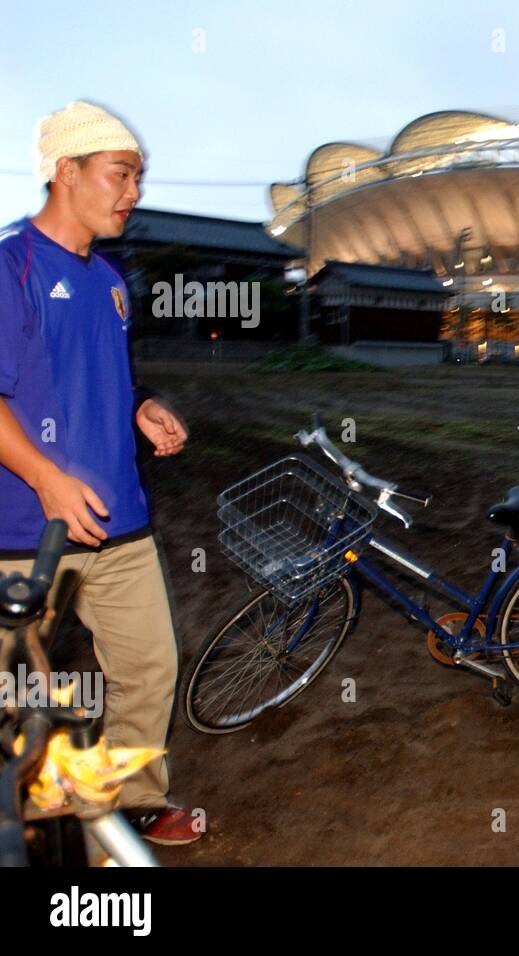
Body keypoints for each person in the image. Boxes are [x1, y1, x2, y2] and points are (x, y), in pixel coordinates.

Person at [0, 101, 201, 846]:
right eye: (121, 175)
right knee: (12, 698)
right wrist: (47, 479)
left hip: (120, 524)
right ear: (67, 171)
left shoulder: (112, 280)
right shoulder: (8, 266)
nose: (133, 193)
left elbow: (105, 380)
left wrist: (141, 408)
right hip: (22, 535)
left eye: (139, 178)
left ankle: (129, 806)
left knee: (148, 672)